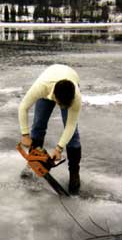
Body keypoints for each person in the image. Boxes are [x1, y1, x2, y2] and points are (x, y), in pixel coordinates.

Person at [18, 64, 82, 195]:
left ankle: (74, 175)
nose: (62, 107)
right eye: (60, 104)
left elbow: (70, 126)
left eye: (65, 105)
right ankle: (33, 163)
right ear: (55, 97)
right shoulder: (41, 87)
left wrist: (59, 149)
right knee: (38, 126)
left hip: (70, 77)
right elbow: (23, 107)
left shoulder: (76, 97)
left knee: (73, 134)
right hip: (49, 79)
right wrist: (25, 134)